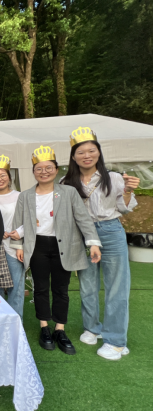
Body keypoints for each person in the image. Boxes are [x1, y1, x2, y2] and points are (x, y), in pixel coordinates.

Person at [10, 146, 102, 356]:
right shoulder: (26, 195)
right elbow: (18, 222)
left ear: (56, 169)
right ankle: (44, 327)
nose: (44, 172)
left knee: (61, 289)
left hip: (64, 245)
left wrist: (93, 243)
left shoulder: (68, 192)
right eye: (39, 169)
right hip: (37, 246)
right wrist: (19, 246)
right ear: (34, 172)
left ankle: (60, 329)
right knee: (40, 288)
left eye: (48, 168)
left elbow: (83, 218)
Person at [61, 127, 140, 361]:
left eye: (91, 151)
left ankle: (115, 341)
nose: (87, 155)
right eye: (81, 152)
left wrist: (128, 191)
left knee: (117, 286)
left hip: (110, 230)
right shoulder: (67, 182)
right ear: (73, 156)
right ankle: (92, 328)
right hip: (81, 234)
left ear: (98, 152)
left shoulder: (113, 178)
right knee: (87, 284)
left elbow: (125, 208)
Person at [0, 156, 25, 318]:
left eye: (2, 175)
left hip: (14, 245)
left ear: (9, 177)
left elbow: (30, 220)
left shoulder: (20, 196)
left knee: (16, 285)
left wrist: (19, 234)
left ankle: (16, 321)